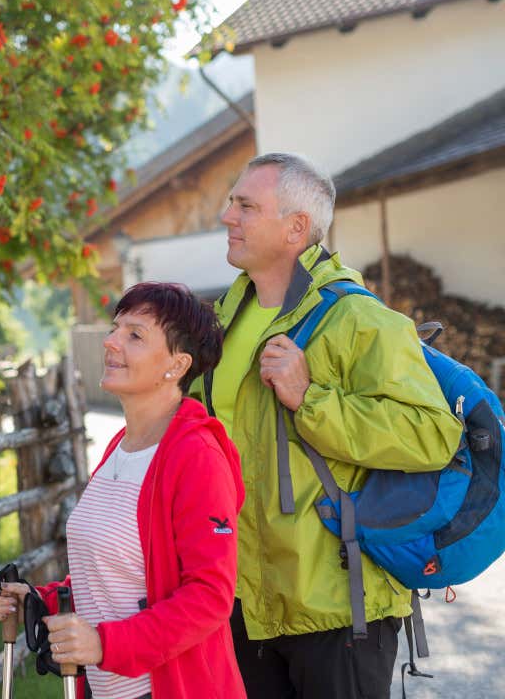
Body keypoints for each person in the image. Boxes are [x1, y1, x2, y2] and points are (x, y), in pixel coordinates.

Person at [195, 153, 462, 699]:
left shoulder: (359, 318)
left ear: (297, 227)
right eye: (231, 203)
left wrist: (310, 400)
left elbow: (432, 434)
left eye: (246, 205)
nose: (228, 217)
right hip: (242, 604)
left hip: (338, 611)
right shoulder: (222, 320)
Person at [0, 282, 246, 699]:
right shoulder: (120, 447)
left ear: (177, 365)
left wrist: (105, 644)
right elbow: (116, 576)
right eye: (116, 328)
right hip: (107, 687)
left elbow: (209, 597)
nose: (111, 342)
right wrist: (43, 601)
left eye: (135, 335)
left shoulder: (196, 456)